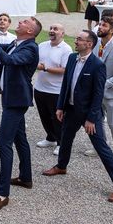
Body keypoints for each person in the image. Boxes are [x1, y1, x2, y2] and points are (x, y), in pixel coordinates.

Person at [42, 30, 113, 203]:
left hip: (90, 114)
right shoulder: (72, 58)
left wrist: (91, 118)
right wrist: (60, 106)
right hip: (71, 110)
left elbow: (98, 94)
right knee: (65, 138)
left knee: (102, 148)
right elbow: (66, 83)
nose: (76, 41)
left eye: (79, 39)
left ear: (89, 44)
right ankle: (61, 166)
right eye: (77, 38)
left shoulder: (97, 65)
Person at [0, 13, 40, 213]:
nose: (20, 22)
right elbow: (1, 51)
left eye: (25, 22)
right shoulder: (17, 42)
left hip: (16, 101)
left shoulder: (31, 48)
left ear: (30, 30)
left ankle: (2, 194)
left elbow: (7, 59)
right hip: (11, 98)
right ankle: (26, 177)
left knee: (3, 144)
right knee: (20, 138)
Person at [85, 17, 113, 164]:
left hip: (112, 93)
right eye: (100, 24)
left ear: (112, 30)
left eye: (104, 25)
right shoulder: (95, 46)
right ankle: (100, 146)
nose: (100, 27)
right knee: (97, 121)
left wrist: (103, 84)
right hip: (95, 93)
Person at [33, 23, 71, 154]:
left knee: (57, 118)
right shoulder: (42, 45)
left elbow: (65, 70)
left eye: (56, 29)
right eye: (51, 28)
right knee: (44, 115)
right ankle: (50, 137)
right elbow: (34, 61)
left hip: (56, 90)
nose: (52, 30)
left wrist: (45, 68)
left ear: (62, 33)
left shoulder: (66, 49)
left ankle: (61, 143)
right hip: (40, 87)